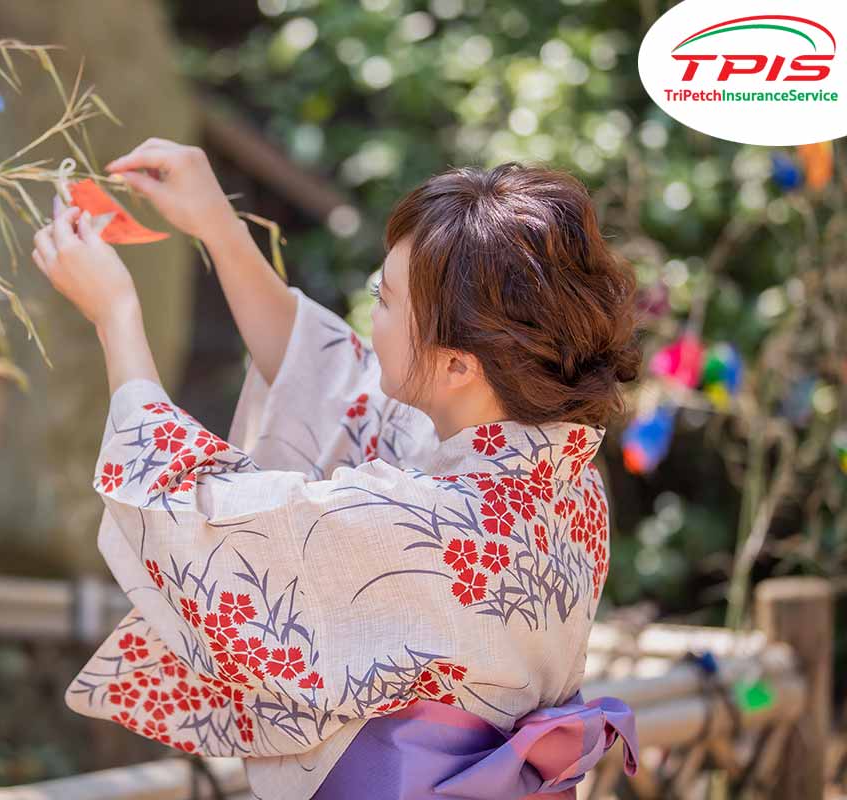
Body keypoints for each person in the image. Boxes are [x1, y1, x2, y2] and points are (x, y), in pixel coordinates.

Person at [32, 138, 642, 800]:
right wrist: (218, 226)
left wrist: (117, 319)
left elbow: (201, 520)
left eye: (385, 301)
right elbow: (333, 384)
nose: (370, 314)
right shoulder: (559, 471)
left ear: (459, 366)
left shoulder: (431, 529)